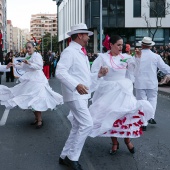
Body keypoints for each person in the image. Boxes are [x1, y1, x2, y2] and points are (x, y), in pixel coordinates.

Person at [89, 35, 154, 155]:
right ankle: (114, 143)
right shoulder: (102, 58)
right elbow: (93, 74)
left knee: (126, 116)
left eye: (122, 45)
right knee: (111, 116)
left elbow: (134, 72)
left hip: (124, 90)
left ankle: (127, 140)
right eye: (118, 45)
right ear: (111, 45)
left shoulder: (126, 57)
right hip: (108, 91)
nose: (121, 47)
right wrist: (100, 73)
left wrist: (138, 59)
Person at [56, 23, 108, 170]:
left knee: (78, 126)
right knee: (87, 124)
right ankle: (72, 158)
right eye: (86, 35)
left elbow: (83, 76)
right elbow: (60, 72)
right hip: (75, 95)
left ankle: (64, 155)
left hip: (80, 95)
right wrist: (76, 85)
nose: (88, 37)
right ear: (79, 35)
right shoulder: (70, 51)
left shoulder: (80, 51)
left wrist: (98, 74)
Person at [0, 42, 63, 128]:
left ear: (34, 48)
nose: (28, 49)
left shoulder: (37, 55)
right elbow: (23, 67)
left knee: (36, 100)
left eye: (29, 47)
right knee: (30, 99)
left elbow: (39, 66)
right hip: (30, 80)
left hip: (38, 80)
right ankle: (36, 118)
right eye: (27, 48)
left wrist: (29, 63)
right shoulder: (27, 55)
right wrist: (14, 65)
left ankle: (39, 120)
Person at [134, 37, 170, 131]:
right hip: (152, 82)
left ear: (142, 45)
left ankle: (143, 122)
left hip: (140, 82)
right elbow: (163, 67)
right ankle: (151, 116)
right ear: (150, 46)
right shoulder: (156, 56)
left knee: (142, 102)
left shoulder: (137, 55)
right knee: (152, 100)